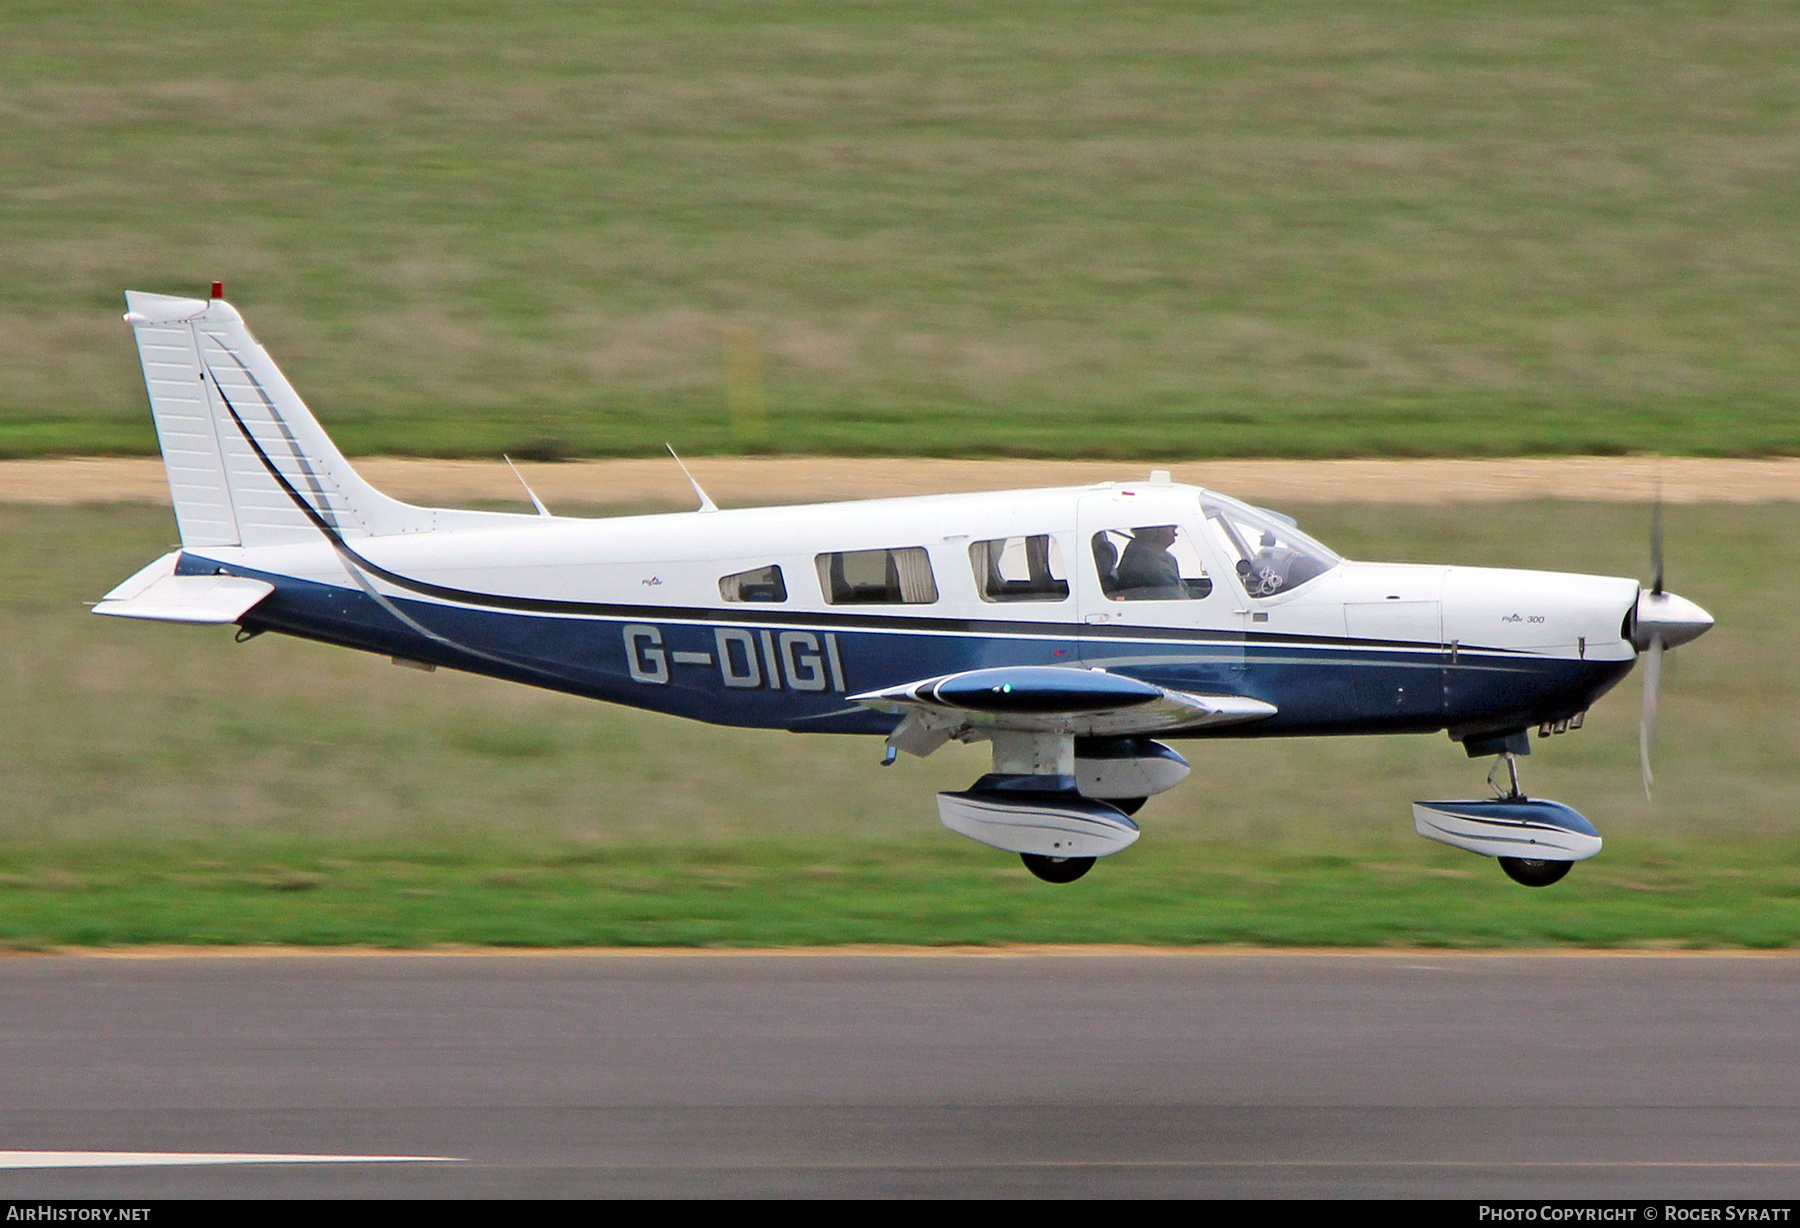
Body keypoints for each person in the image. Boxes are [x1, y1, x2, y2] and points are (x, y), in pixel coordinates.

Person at [1111, 525, 1187, 599]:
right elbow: (1181, 602)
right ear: (1151, 531)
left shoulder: (1164, 558)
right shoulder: (1153, 568)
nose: (1175, 527)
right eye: (1166, 523)